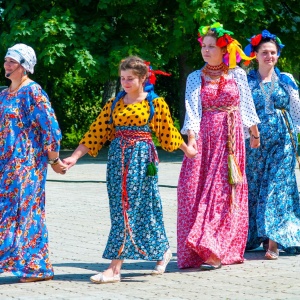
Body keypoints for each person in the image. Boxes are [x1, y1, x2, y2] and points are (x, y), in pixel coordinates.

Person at [63, 56, 197, 284]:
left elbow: (168, 132)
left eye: (130, 78)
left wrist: (188, 150)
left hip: (142, 160)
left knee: (133, 207)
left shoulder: (153, 103)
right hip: (117, 159)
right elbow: (95, 133)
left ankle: (114, 268)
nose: (125, 82)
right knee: (124, 208)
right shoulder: (114, 104)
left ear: (143, 78)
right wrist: (74, 157)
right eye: (122, 78)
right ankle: (163, 249)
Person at [177, 22, 261, 270]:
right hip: (206, 138)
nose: (206, 50)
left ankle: (219, 248)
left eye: (211, 46)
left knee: (225, 193)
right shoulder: (196, 77)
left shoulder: (237, 75)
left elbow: (246, 107)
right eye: (204, 46)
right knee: (198, 190)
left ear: (224, 50)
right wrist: (191, 140)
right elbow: (192, 111)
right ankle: (202, 247)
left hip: (231, 141)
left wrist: (255, 134)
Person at [0, 43, 66, 282]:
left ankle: (38, 268)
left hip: (27, 166)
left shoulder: (33, 91)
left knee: (28, 213)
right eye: (6, 60)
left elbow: (50, 128)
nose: (6, 64)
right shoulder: (3, 94)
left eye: (12, 61)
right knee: (6, 214)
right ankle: (13, 263)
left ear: (24, 66)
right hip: (4, 167)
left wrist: (55, 159)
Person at [244, 30, 300, 259]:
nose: (269, 56)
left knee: (275, 187)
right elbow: (242, 112)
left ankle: (274, 243)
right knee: (256, 187)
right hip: (254, 143)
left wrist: (297, 140)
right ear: (255, 55)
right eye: (264, 52)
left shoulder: (285, 79)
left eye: (273, 53)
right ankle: (259, 235)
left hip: (283, 140)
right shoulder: (246, 81)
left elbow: (297, 112)